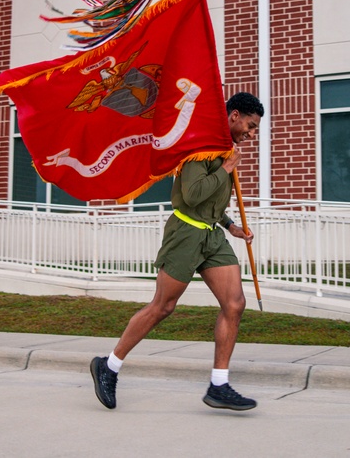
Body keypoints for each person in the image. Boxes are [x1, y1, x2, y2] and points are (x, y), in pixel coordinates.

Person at [90, 92, 264, 411]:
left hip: (211, 236)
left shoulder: (226, 150)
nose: (251, 134)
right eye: (250, 126)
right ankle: (109, 366)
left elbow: (211, 204)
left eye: (255, 130)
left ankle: (219, 385)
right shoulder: (198, 147)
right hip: (185, 233)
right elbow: (193, 194)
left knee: (235, 303)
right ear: (234, 115)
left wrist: (230, 226)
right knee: (162, 306)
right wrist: (225, 168)